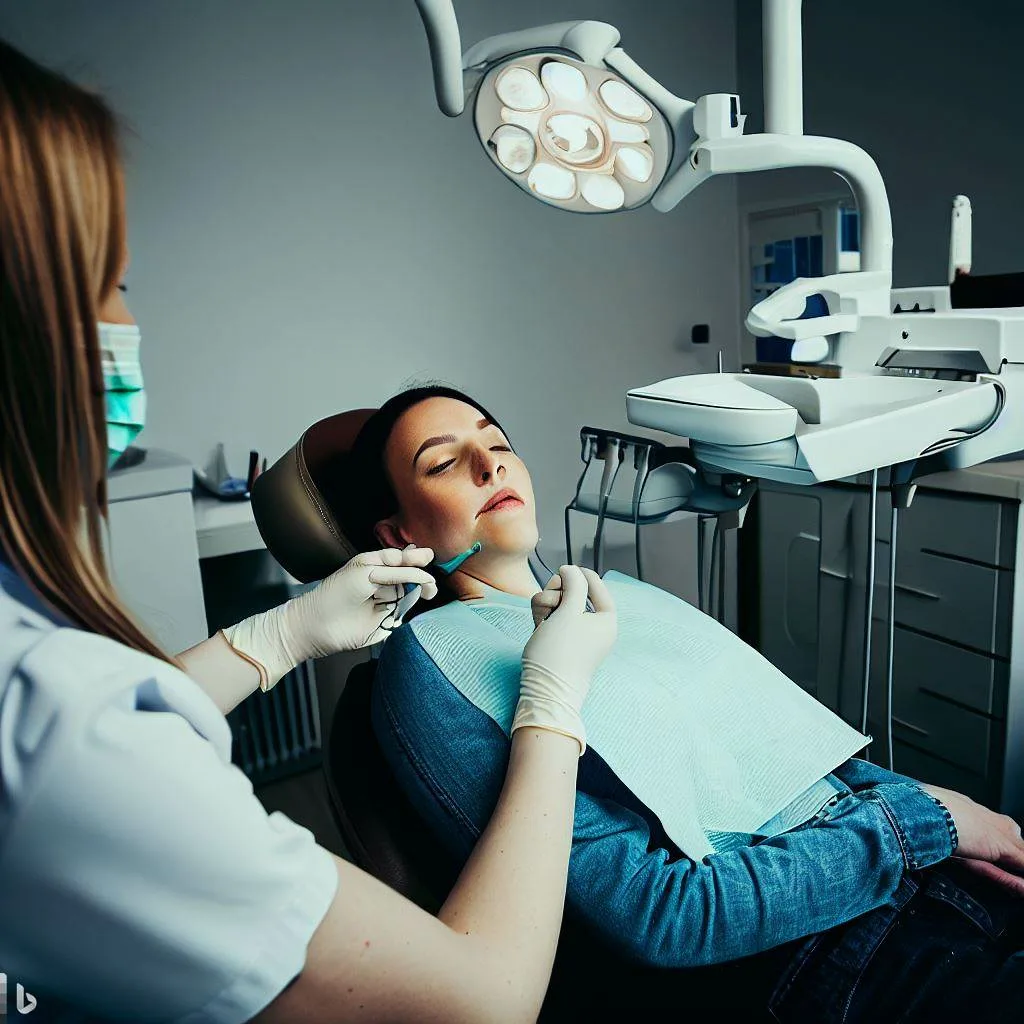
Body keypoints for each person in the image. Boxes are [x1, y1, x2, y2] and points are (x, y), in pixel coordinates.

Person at [0, 39, 620, 1023]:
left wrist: (276, 635)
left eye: (496, 442)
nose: (491, 463)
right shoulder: (436, 680)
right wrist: (551, 701)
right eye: (111, 285)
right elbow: (483, 999)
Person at [349, 384, 1024, 1020]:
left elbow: (799, 765)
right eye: (442, 463)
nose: (487, 466)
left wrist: (939, 814)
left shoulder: (612, 601)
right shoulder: (433, 660)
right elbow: (663, 915)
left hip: (900, 867)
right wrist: (921, 825)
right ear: (398, 535)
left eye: (496, 444)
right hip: (823, 950)